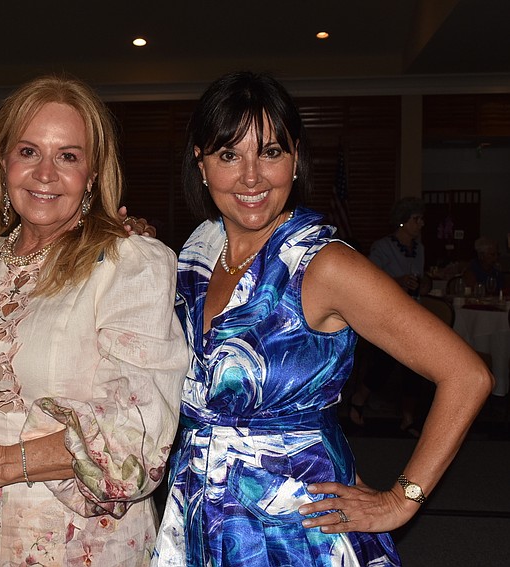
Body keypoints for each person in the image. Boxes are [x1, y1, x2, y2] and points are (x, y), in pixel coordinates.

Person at [151, 72, 492, 566]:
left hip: (295, 532)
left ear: (295, 159)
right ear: (201, 164)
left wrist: (401, 501)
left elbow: (467, 375)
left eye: (271, 153)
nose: (251, 177)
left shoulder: (324, 264)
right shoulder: (197, 255)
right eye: (229, 155)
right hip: (201, 514)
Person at [0, 75, 188, 566]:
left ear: (93, 174)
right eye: (29, 151)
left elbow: (140, 437)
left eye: (68, 156)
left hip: (82, 542)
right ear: (2, 163)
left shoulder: (130, 263)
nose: (46, 173)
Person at [349, 198, 428, 435]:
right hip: (386, 315)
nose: (422, 224)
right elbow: (369, 280)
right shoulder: (382, 247)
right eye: (417, 219)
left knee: (415, 367)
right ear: (403, 222)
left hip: (413, 314)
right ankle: (359, 400)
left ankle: (407, 416)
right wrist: (398, 282)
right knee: (384, 364)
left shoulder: (420, 249)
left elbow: (419, 279)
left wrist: (422, 286)